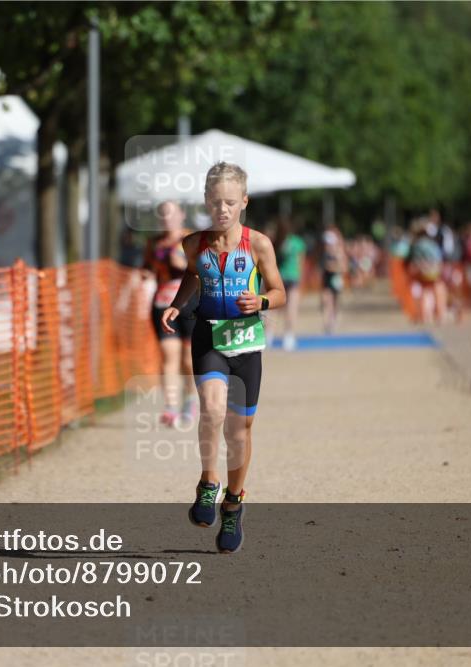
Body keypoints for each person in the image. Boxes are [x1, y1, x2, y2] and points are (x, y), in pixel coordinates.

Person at [160, 162, 286, 554]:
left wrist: (263, 299)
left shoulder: (259, 244)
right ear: (205, 202)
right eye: (216, 202)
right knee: (212, 412)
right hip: (209, 335)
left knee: (239, 430)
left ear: (244, 202)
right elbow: (194, 276)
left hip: (247, 343)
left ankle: (233, 503)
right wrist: (178, 305)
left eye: (231, 202)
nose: (223, 210)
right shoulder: (193, 244)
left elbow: (280, 291)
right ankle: (208, 483)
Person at [143, 201, 198, 426]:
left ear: (182, 215)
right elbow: (147, 268)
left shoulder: (191, 240)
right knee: (168, 355)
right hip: (163, 304)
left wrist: (184, 262)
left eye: (171, 213)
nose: (167, 219)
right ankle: (170, 407)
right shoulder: (154, 244)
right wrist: (144, 277)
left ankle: (191, 399)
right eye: (163, 215)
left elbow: (204, 267)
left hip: (191, 303)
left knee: (188, 359)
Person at [274, 217, 306, 350]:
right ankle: (289, 336)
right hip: (293, 277)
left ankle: (269, 334)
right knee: (291, 308)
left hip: (280, 276)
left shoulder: (277, 241)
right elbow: (300, 263)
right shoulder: (298, 242)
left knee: (274, 308)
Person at [319, 222, 348, 334]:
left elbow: (344, 267)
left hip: (336, 278)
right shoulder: (325, 251)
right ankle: (327, 324)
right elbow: (324, 265)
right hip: (327, 278)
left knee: (335, 301)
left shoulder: (339, 251)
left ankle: (333, 322)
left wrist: (334, 266)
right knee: (326, 300)